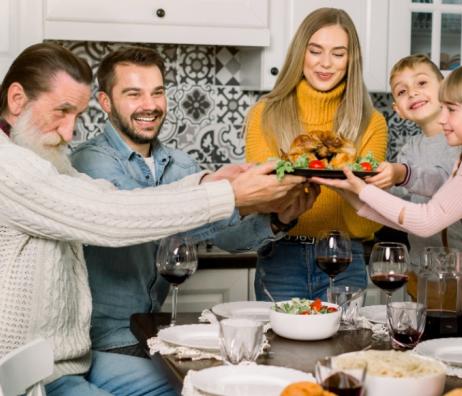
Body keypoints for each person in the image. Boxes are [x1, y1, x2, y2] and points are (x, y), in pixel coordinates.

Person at [0, 43, 305, 395]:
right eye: (62, 111)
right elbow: (109, 217)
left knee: (194, 386)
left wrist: (213, 181)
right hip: (32, 376)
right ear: (17, 99)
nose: (69, 132)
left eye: (76, 116)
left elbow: (112, 199)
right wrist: (231, 195)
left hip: (69, 361)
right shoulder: (9, 168)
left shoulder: (44, 161)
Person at [70, 46, 319, 357]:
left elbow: (224, 236)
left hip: (155, 332)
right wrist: (235, 198)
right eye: (134, 94)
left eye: (157, 92)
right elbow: (139, 222)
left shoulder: (181, 165)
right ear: (106, 102)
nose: (150, 105)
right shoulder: (89, 163)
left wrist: (277, 217)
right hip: (106, 341)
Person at [314, 60, 462, 353]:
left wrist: (364, 189)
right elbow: (419, 211)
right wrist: (349, 191)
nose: (442, 119)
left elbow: (428, 220)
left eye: (451, 109)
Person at [245, 8, 388, 301]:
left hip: (344, 257)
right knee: (280, 346)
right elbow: (259, 202)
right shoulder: (265, 115)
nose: (325, 63)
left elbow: (368, 223)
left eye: (338, 53)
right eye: (315, 51)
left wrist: (344, 183)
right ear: (301, 53)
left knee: (345, 346)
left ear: (351, 60)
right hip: (281, 258)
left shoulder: (371, 122)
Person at [368, 54, 462, 331]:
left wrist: (401, 174)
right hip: (422, 277)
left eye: (421, 82)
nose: (413, 92)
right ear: (398, 109)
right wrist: (367, 186)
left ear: (446, 87)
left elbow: (447, 186)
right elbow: (405, 207)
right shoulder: (409, 148)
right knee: (428, 353)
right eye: (402, 91)